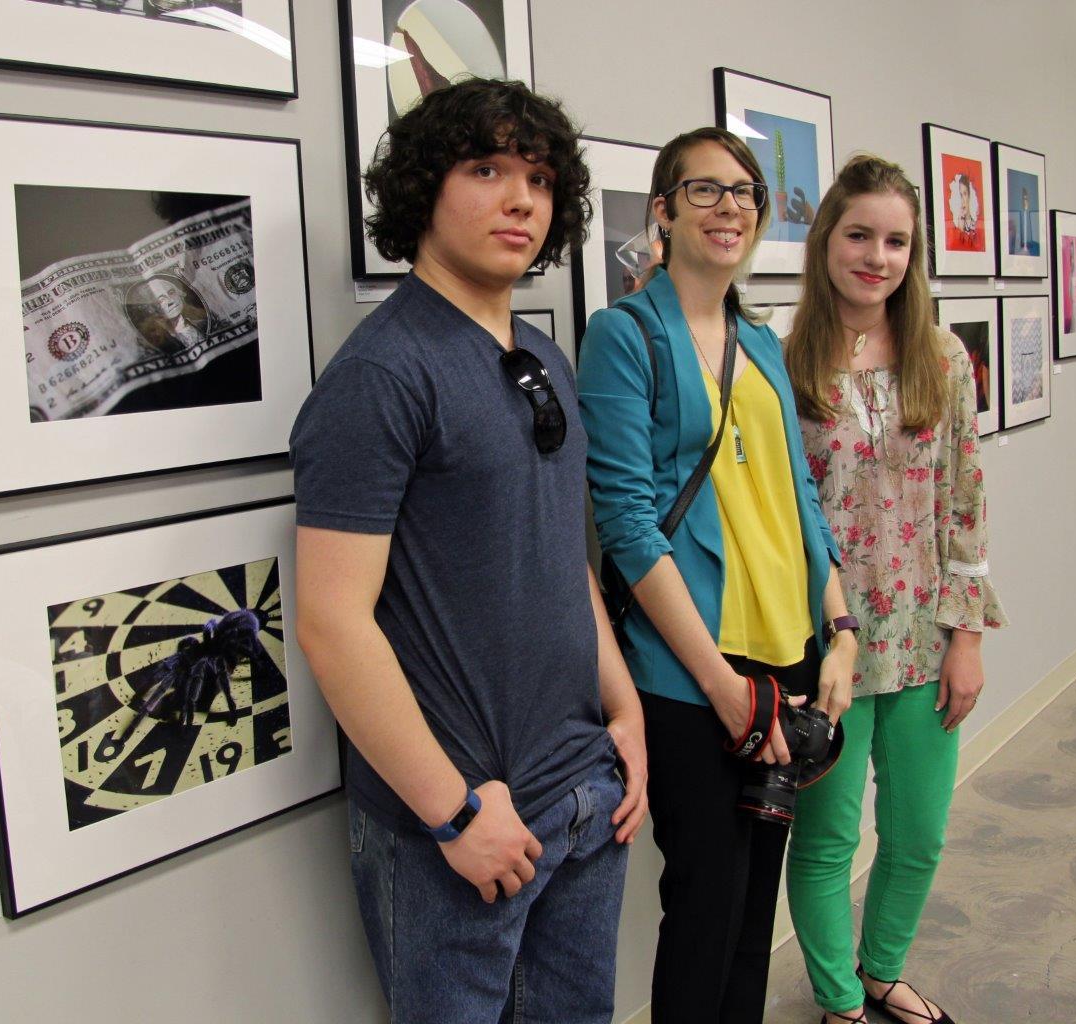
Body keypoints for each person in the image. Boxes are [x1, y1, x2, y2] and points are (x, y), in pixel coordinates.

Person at [290, 78, 647, 1024]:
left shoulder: (544, 356)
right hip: (463, 822)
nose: (519, 198)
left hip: (581, 796)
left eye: (536, 177)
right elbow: (331, 622)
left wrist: (624, 709)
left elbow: (559, 551)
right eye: (485, 169)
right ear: (424, 190)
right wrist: (452, 812)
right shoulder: (382, 374)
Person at [578, 126, 857, 1024]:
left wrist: (841, 627)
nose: (730, 206)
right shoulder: (624, 336)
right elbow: (624, 524)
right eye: (705, 190)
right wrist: (722, 688)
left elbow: (799, 494)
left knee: (751, 914)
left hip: (788, 658)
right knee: (703, 907)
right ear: (662, 211)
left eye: (745, 192)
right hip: (693, 673)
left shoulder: (760, 340)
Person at [784, 154, 1008, 1024]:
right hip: (827, 645)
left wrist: (970, 637)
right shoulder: (777, 358)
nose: (877, 256)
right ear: (827, 240)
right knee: (828, 842)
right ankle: (840, 1001)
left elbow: (965, 500)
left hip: (925, 638)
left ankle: (882, 969)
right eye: (860, 235)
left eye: (897, 242)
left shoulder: (941, 355)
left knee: (917, 834)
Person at [126, 275, 207, 355]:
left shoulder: (206, 320)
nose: (171, 301)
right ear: (150, 309)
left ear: (180, 294)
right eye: (161, 300)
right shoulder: (155, 341)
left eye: (171, 293)